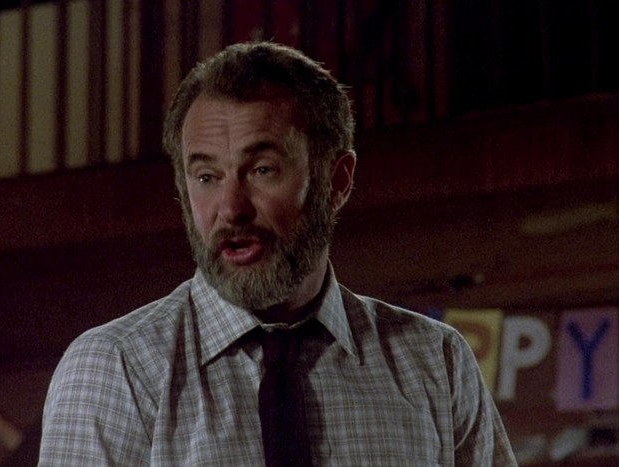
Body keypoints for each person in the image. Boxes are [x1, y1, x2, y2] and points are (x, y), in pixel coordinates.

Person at [39, 41, 517, 466]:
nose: (231, 208)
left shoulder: (435, 360)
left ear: (337, 180)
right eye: (206, 177)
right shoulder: (117, 368)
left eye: (262, 170)